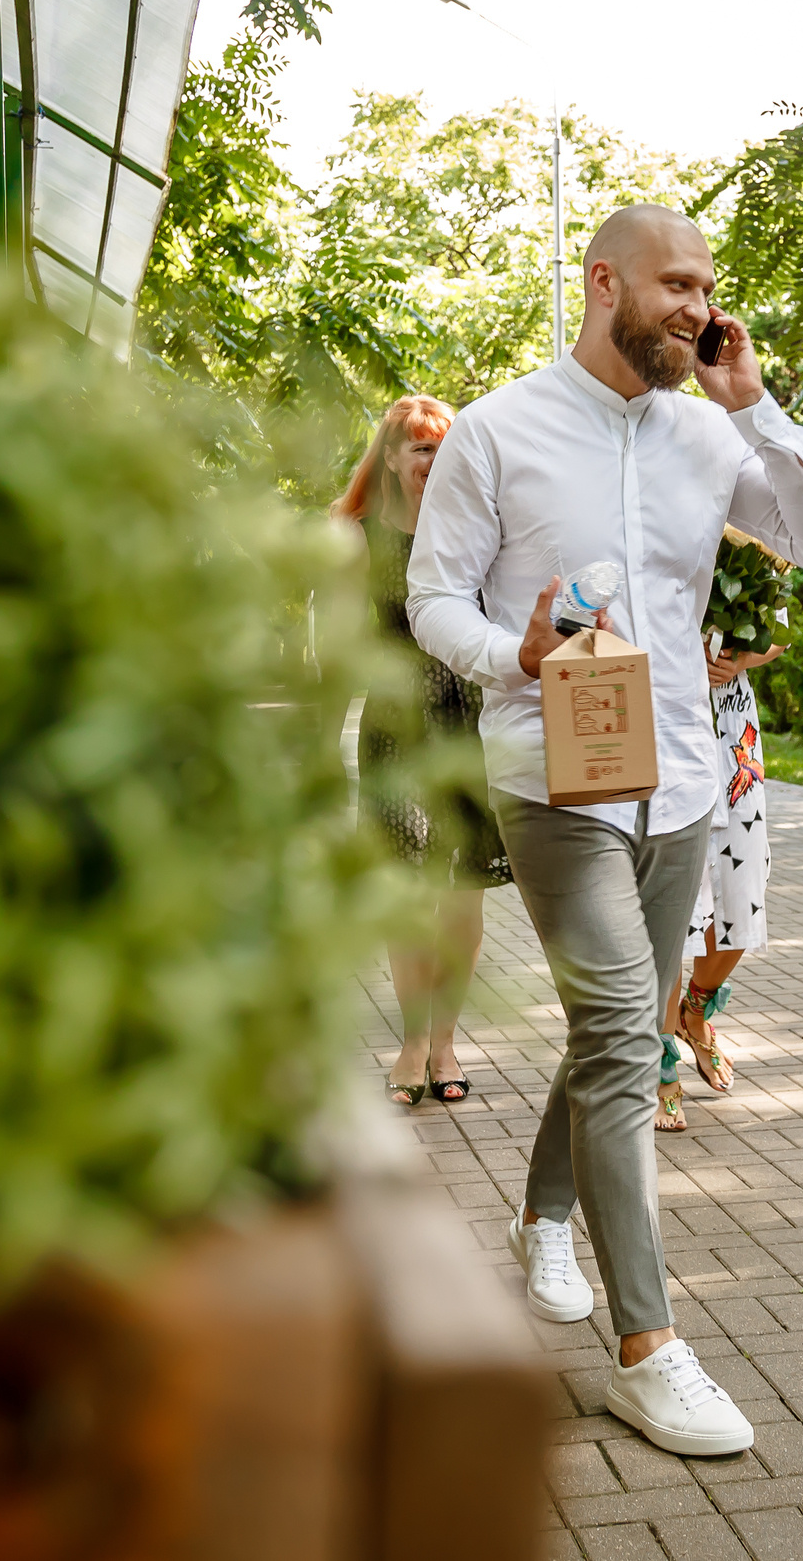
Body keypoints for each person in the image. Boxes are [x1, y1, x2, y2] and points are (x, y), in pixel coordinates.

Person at [407, 204, 803, 1454]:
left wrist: (756, 402)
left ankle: (542, 1215)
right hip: (552, 779)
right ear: (604, 283)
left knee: (619, 1025)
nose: (697, 306)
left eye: (707, 286)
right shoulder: (497, 431)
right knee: (620, 1027)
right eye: (675, 283)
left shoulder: (712, 439)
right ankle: (647, 1349)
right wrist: (517, 655)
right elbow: (430, 594)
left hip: (682, 781)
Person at [331, 395, 509, 1107]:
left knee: (462, 898)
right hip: (396, 731)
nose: (433, 463)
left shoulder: (481, 529)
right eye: (421, 449)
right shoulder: (358, 537)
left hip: (471, 732)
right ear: (393, 458)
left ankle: (445, 1042)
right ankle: (410, 1041)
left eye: (444, 448)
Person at [660, 637, 782, 1133]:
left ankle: (696, 1008)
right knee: (671, 900)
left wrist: (743, 658)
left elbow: (779, 631)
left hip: (732, 726)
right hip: (665, 711)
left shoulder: (754, 552)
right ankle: (659, 1059)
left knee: (742, 887)